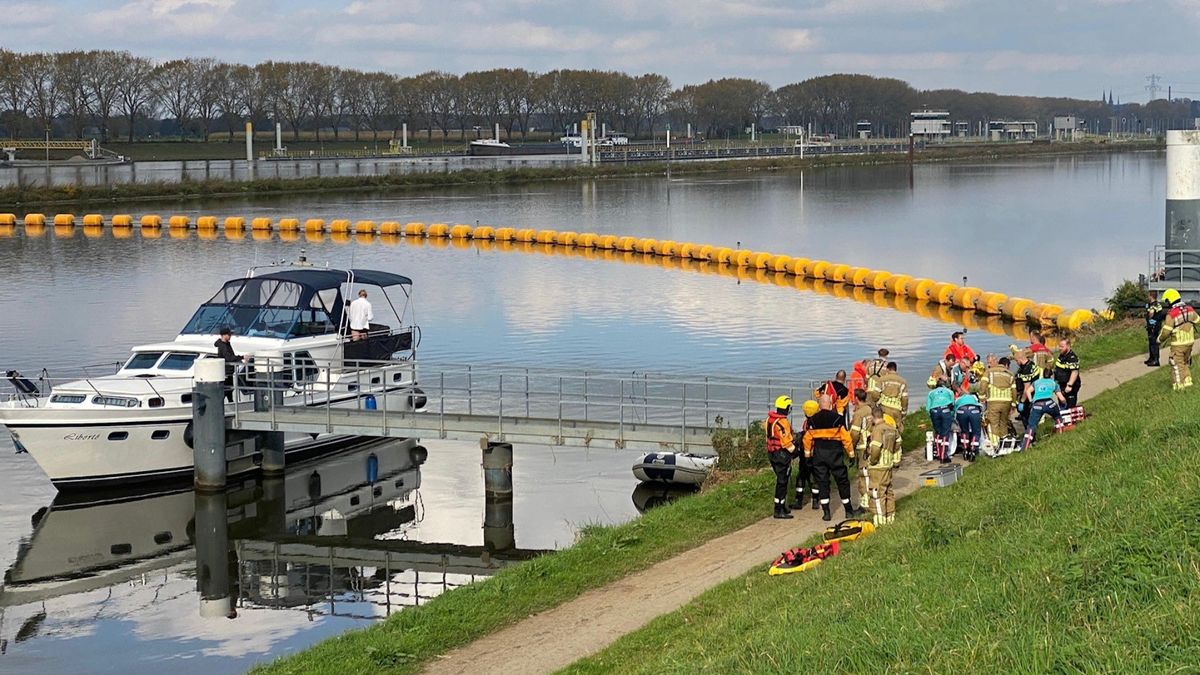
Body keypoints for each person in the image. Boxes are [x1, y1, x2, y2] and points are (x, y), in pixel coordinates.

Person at [802, 395, 860, 522]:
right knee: (842, 481)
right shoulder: (837, 419)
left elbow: (807, 439)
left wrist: (807, 456)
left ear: (819, 405)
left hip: (819, 452)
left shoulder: (812, 420)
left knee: (822, 482)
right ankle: (848, 511)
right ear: (830, 404)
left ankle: (826, 513)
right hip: (834, 452)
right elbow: (846, 438)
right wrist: (851, 454)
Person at [1157, 288, 1200, 391]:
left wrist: (1159, 339)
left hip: (1178, 344)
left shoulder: (1171, 314)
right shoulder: (1189, 309)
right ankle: (1187, 381)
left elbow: (1166, 331)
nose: (1166, 304)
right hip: (1190, 342)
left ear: (1170, 300)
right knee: (1184, 362)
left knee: (1175, 363)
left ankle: (1178, 386)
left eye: (1167, 301)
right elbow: (1198, 320)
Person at [865, 407, 900, 526]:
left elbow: (875, 448)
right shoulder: (892, 429)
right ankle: (891, 516)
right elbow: (898, 443)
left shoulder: (877, 430)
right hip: (888, 465)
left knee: (877, 493)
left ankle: (880, 521)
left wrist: (873, 461)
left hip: (878, 466)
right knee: (888, 491)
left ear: (874, 417)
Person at [765, 395, 798, 519]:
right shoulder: (782, 422)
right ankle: (778, 510)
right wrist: (796, 452)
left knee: (781, 479)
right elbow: (786, 443)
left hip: (772, 453)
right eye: (789, 407)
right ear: (786, 408)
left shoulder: (770, 419)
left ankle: (782, 505)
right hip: (781, 454)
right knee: (782, 481)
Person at [790, 399, 821, 511]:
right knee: (815, 477)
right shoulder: (819, 422)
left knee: (801, 476)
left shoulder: (807, 423)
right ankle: (816, 501)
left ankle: (799, 501)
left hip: (805, 454)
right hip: (817, 453)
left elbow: (805, 437)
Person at [1023, 369, 1067, 448]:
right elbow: (1061, 398)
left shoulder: (1036, 382)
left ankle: (1025, 447)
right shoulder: (1053, 383)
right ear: (1051, 375)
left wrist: (1031, 401)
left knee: (1031, 425)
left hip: (1037, 405)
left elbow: (1028, 391)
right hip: (1049, 403)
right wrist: (1064, 403)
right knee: (1057, 417)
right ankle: (1061, 435)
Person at [847, 389, 874, 512]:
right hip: (870, 444)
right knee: (869, 472)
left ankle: (865, 504)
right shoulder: (869, 409)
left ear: (857, 398)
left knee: (863, 475)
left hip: (862, 446)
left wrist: (850, 446)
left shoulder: (859, 414)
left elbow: (855, 433)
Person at [983, 356, 1016, 449]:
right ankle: (1004, 444)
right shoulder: (1010, 373)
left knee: (993, 423)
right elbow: (1014, 390)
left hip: (993, 402)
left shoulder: (989, 372)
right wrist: (1013, 404)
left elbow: (982, 385)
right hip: (1007, 403)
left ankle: (995, 446)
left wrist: (982, 398)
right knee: (1003, 423)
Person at [926, 378, 956, 463]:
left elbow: (928, 407)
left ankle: (938, 454)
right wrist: (952, 416)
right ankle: (944, 456)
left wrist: (931, 415)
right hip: (945, 410)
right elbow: (952, 405)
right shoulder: (949, 392)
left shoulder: (931, 393)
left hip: (934, 411)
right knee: (945, 433)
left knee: (938, 432)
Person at [1012, 348, 1041, 434]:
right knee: (1031, 418)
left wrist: (1022, 401)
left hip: (1027, 397)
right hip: (1034, 394)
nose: (1016, 363)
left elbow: (1026, 388)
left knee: (1027, 419)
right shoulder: (1032, 364)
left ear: (1020, 359)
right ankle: (1032, 436)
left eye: (1017, 361)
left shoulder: (1026, 370)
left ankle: (1030, 437)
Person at [214, 327, 245, 402]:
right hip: (226, 371)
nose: (230, 336)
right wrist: (241, 357)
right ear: (224, 335)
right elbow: (228, 357)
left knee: (229, 389)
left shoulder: (226, 344)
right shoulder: (223, 346)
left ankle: (230, 402)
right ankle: (221, 404)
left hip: (229, 370)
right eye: (229, 334)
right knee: (227, 389)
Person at [877, 362, 909, 431]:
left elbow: (875, 393)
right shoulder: (903, 381)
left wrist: (876, 403)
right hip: (896, 409)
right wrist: (904, 411)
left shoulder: (882, 379)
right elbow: (904, 398)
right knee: (896, 429)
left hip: (884, 407)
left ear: (887, 369)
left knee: (884, 428)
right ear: (895, 369)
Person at [953, 389, 984, 461]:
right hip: (974, 410)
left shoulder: (958, 399)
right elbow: (980, 406)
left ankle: (965, 449)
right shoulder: (973, 397)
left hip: (961, 411)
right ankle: (973, 450)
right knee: (976, 432)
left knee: (964, 431)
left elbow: (954, 411)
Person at [1053, 337, 1081, 408]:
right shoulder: (1061, 356)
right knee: (1062, 403)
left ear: (1068, 346)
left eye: (1062, 346)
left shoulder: (1072, 358)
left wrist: (1070, 385)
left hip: (1070, 386)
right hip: (1061, 384)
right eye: (1059, 346)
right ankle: (1063, 416)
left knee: (1069, 406)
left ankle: (1071, 416)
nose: (1060, 348)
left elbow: (1074, 372)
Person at [1145, 291, 1166, 366]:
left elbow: (1151, 313)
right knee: (1151, 342)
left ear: (1151, 296)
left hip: (1154, 326)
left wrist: (1149, 317)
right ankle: (1151, 358)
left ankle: (1156, 360)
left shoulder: (1155, 305)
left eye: (1148, 295)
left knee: (1154, 343)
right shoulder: (1150, 304)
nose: (1147, 297)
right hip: (1150, 326)